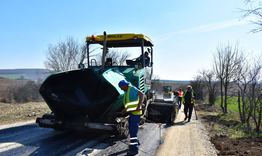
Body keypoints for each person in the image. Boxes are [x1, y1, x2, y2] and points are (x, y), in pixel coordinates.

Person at [118, 80, 144, 155]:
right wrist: (124, 110)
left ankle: (134, 150)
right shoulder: (126, 91)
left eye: (121, 87)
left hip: (136, 113)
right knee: (132, 129)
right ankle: (135, 142)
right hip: (132, 113)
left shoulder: (132, 88)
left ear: (124, 85)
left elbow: (141, 94)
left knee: (132, 131)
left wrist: (139, 106)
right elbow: (129, 103)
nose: (121, 89)